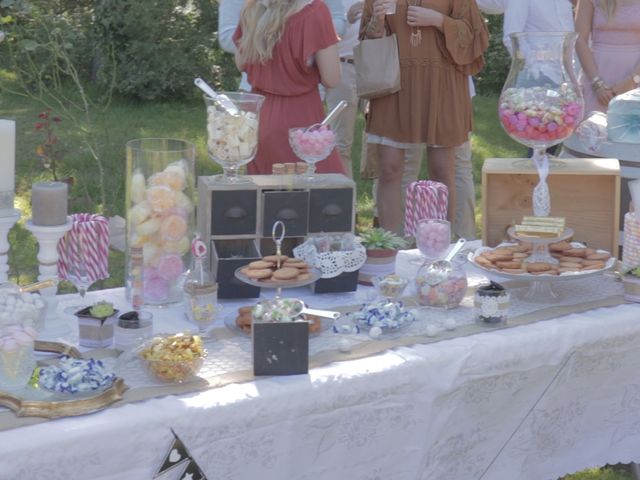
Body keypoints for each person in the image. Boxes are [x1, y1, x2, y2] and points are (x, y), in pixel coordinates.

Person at [360, 0, 489, 235]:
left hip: (441, 85)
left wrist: (438, 21)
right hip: (394, 84)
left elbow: (474, 37)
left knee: (442, 170)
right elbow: (368, 43)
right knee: (389, 169)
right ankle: (392, 249)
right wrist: (376, 24)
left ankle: (439, 247)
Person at [233, 0, 345, 175]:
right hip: (300, 117)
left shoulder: (253, 7)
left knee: (266, 192)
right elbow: (332, 78)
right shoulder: (315, 12)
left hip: (260, 115)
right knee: (317, 192)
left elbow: (241, 63)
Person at [575, 0, 640, 114]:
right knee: (593, 127)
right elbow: (580, 40)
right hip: (597, 77)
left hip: (636, 75)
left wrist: (633, 80)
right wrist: (597, 84)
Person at [324, 0, 364, 178]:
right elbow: (317, 35)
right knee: (340, 144)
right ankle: (342, 201)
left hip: (372, 67)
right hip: (341, 67)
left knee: (380, 143)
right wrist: (345, 21)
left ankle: (379, 205)